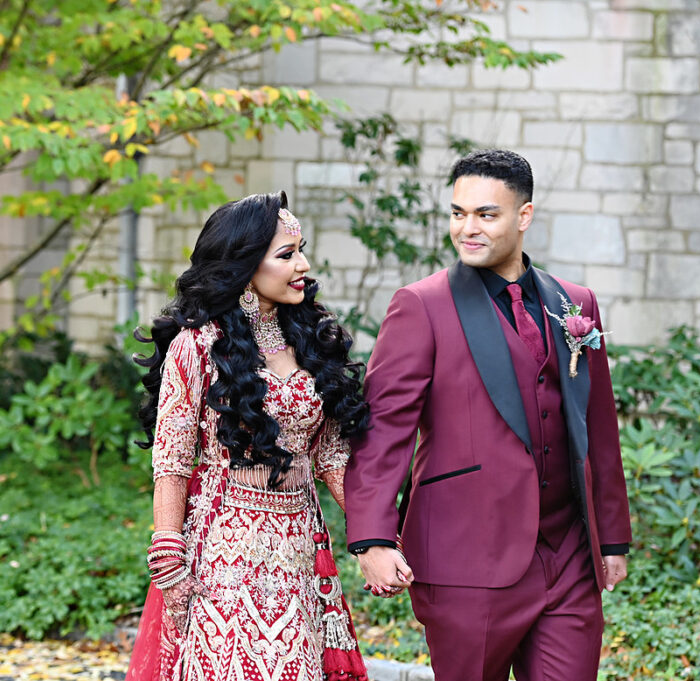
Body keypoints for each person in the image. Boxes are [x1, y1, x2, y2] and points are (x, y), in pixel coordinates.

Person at [343, 149, 632, 681]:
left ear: (524, 217)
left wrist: (611, 538)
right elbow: (383, 432)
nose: (466, 228)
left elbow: (597, 428)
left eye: (485, 214)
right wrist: (372, 538)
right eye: (458, 213)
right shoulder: (421, 306)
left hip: (567, 556)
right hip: (466, 559)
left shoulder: (575, 303)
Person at [126, 191, 370, 681]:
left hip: (300, 546)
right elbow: (172, 463)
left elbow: (331, 459)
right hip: (222, 550)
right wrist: (169, 559)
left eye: (302, 249)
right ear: (244, 267)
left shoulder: (311, 340)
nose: (302, 264)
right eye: (286, 254)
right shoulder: (197, 347)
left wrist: (376, 537)